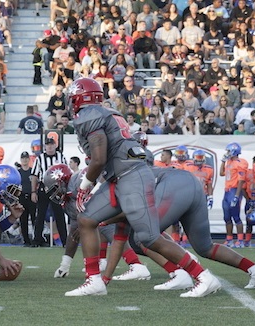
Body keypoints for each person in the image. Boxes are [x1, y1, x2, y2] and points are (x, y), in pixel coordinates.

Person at [66, 77, 220, 298]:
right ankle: (95, 281)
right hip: (119, 177)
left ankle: (204, 277)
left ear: (80, 97)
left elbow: (98, 159)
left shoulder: (90, 115)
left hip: (130, 177)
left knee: (148, 237)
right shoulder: (109, 113)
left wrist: (85, 186)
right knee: (86, 219)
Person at [102, 167, 255, 291]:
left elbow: (121, 231)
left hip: (175, 185)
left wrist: (100, 221)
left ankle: (183, 272)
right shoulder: (130, 176)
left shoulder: (122, 185)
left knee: (144, 237)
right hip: (192, 184)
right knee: (205, 247)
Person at [46, 164, 151, 281]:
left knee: (103, 224)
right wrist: (65, 265)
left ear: (62, 180)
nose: (55, 195)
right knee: (148, 239)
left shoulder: (78, 182)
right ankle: (165, 267)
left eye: (55, 189)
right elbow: (74, 231)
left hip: (123, 195)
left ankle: (136, 265)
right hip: (116, 202)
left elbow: (96, 201)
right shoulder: (68, 202)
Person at [30, 137, 68, 247]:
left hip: (57, 188)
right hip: (44, 187)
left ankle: (64, 241)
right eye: (48, 145)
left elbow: (66, 173)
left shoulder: (61, 157)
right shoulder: (40, 158)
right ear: (45, 146)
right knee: (40, 214)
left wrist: (64, 189)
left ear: (55, 145)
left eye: (51, 144)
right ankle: (37, 240)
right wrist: (33, 191)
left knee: (59, 214)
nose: (50, 147)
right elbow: (34, 176)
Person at [220, 142, 248, 248]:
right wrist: (223, 161)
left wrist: (237, 195)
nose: (227, 153)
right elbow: (221, 173)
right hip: (227, 191)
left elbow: (241, 181)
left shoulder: (240, 163)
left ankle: (240, 240)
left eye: (228, 151)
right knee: (226, 217)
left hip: (234, 190)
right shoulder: (229, 162)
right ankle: (229, 239)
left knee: (236, 216)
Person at [17, 151, 36, 247]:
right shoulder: (18, 172)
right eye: (23, 158)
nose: (24, 160)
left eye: (26, 158)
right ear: (21, 160)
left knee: (34, 219)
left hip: (31, 197)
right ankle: (26, 240)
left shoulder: (32, 171)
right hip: (21, 197)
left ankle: (36, 238)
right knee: (23, 220)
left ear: (29, 159)